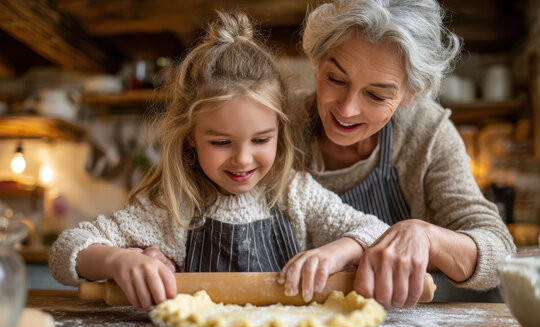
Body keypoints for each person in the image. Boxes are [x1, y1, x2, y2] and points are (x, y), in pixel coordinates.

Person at [48, 11, 390, 311]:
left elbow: (378, 233)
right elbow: (65, 251)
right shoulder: (173, 210)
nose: (243, 159)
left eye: (261, 140)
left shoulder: (294, 194)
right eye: (221, 142)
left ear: (279, 132)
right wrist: (117, 261)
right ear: (191, 137)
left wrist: (335, 254)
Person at [281, 0, 515, 308]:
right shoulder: (277, 124)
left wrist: (426, 237)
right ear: (317, 61)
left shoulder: (426, 132)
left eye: (377, 95)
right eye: (335, 79)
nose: (347, 109)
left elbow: (500, 254)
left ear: (410, 93)